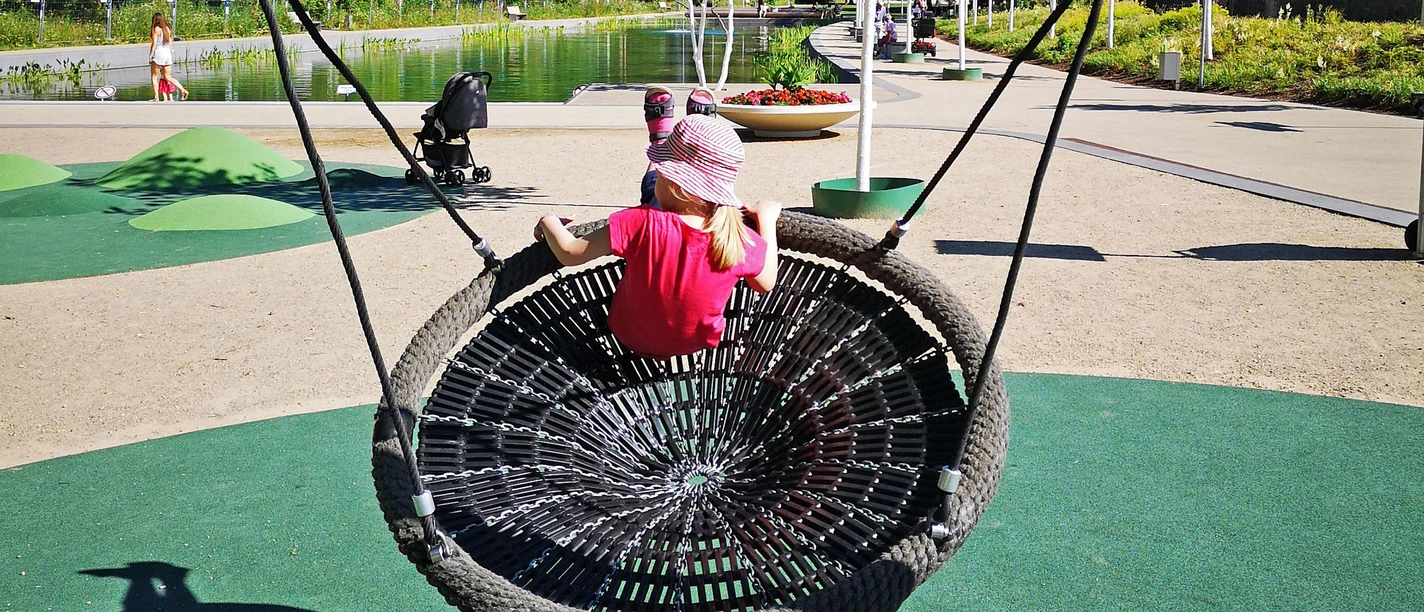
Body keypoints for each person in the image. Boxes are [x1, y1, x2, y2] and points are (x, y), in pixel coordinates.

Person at [533, 114, 782, 360]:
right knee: (655, 201)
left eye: (662, 174)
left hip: (628, 336)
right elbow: (766, 282)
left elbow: (569, 252)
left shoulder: (640, 222)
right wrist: (767, 219)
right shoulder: (737, 239)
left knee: (651, 197)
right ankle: (683, 127)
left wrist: (548, 221)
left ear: (675, 183)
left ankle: (660, 139)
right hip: (693, 345)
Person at [149, 12, 188, 102]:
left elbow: (154, 44)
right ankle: (182, 90)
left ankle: (156, 97)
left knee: (154, 76)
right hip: (167, 54)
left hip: (159, 54)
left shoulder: (156, 29)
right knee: (168, 77)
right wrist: (170, 51)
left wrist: (150, 55)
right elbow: (170, 43)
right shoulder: (168, 29)